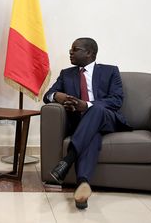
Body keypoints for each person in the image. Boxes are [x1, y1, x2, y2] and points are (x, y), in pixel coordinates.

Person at [43, 37, 131, 209]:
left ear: (89, 53)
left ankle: (68, 160)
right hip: (82, 124)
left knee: (96, 109)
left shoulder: (110, 71)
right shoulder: (66, 74)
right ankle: (82, 185)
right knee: (93, 135)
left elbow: (116, 100)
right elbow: (48, 95)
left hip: (107, 118)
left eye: (75, 49)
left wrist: (87, 106)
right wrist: (57, 96)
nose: (70, 52)